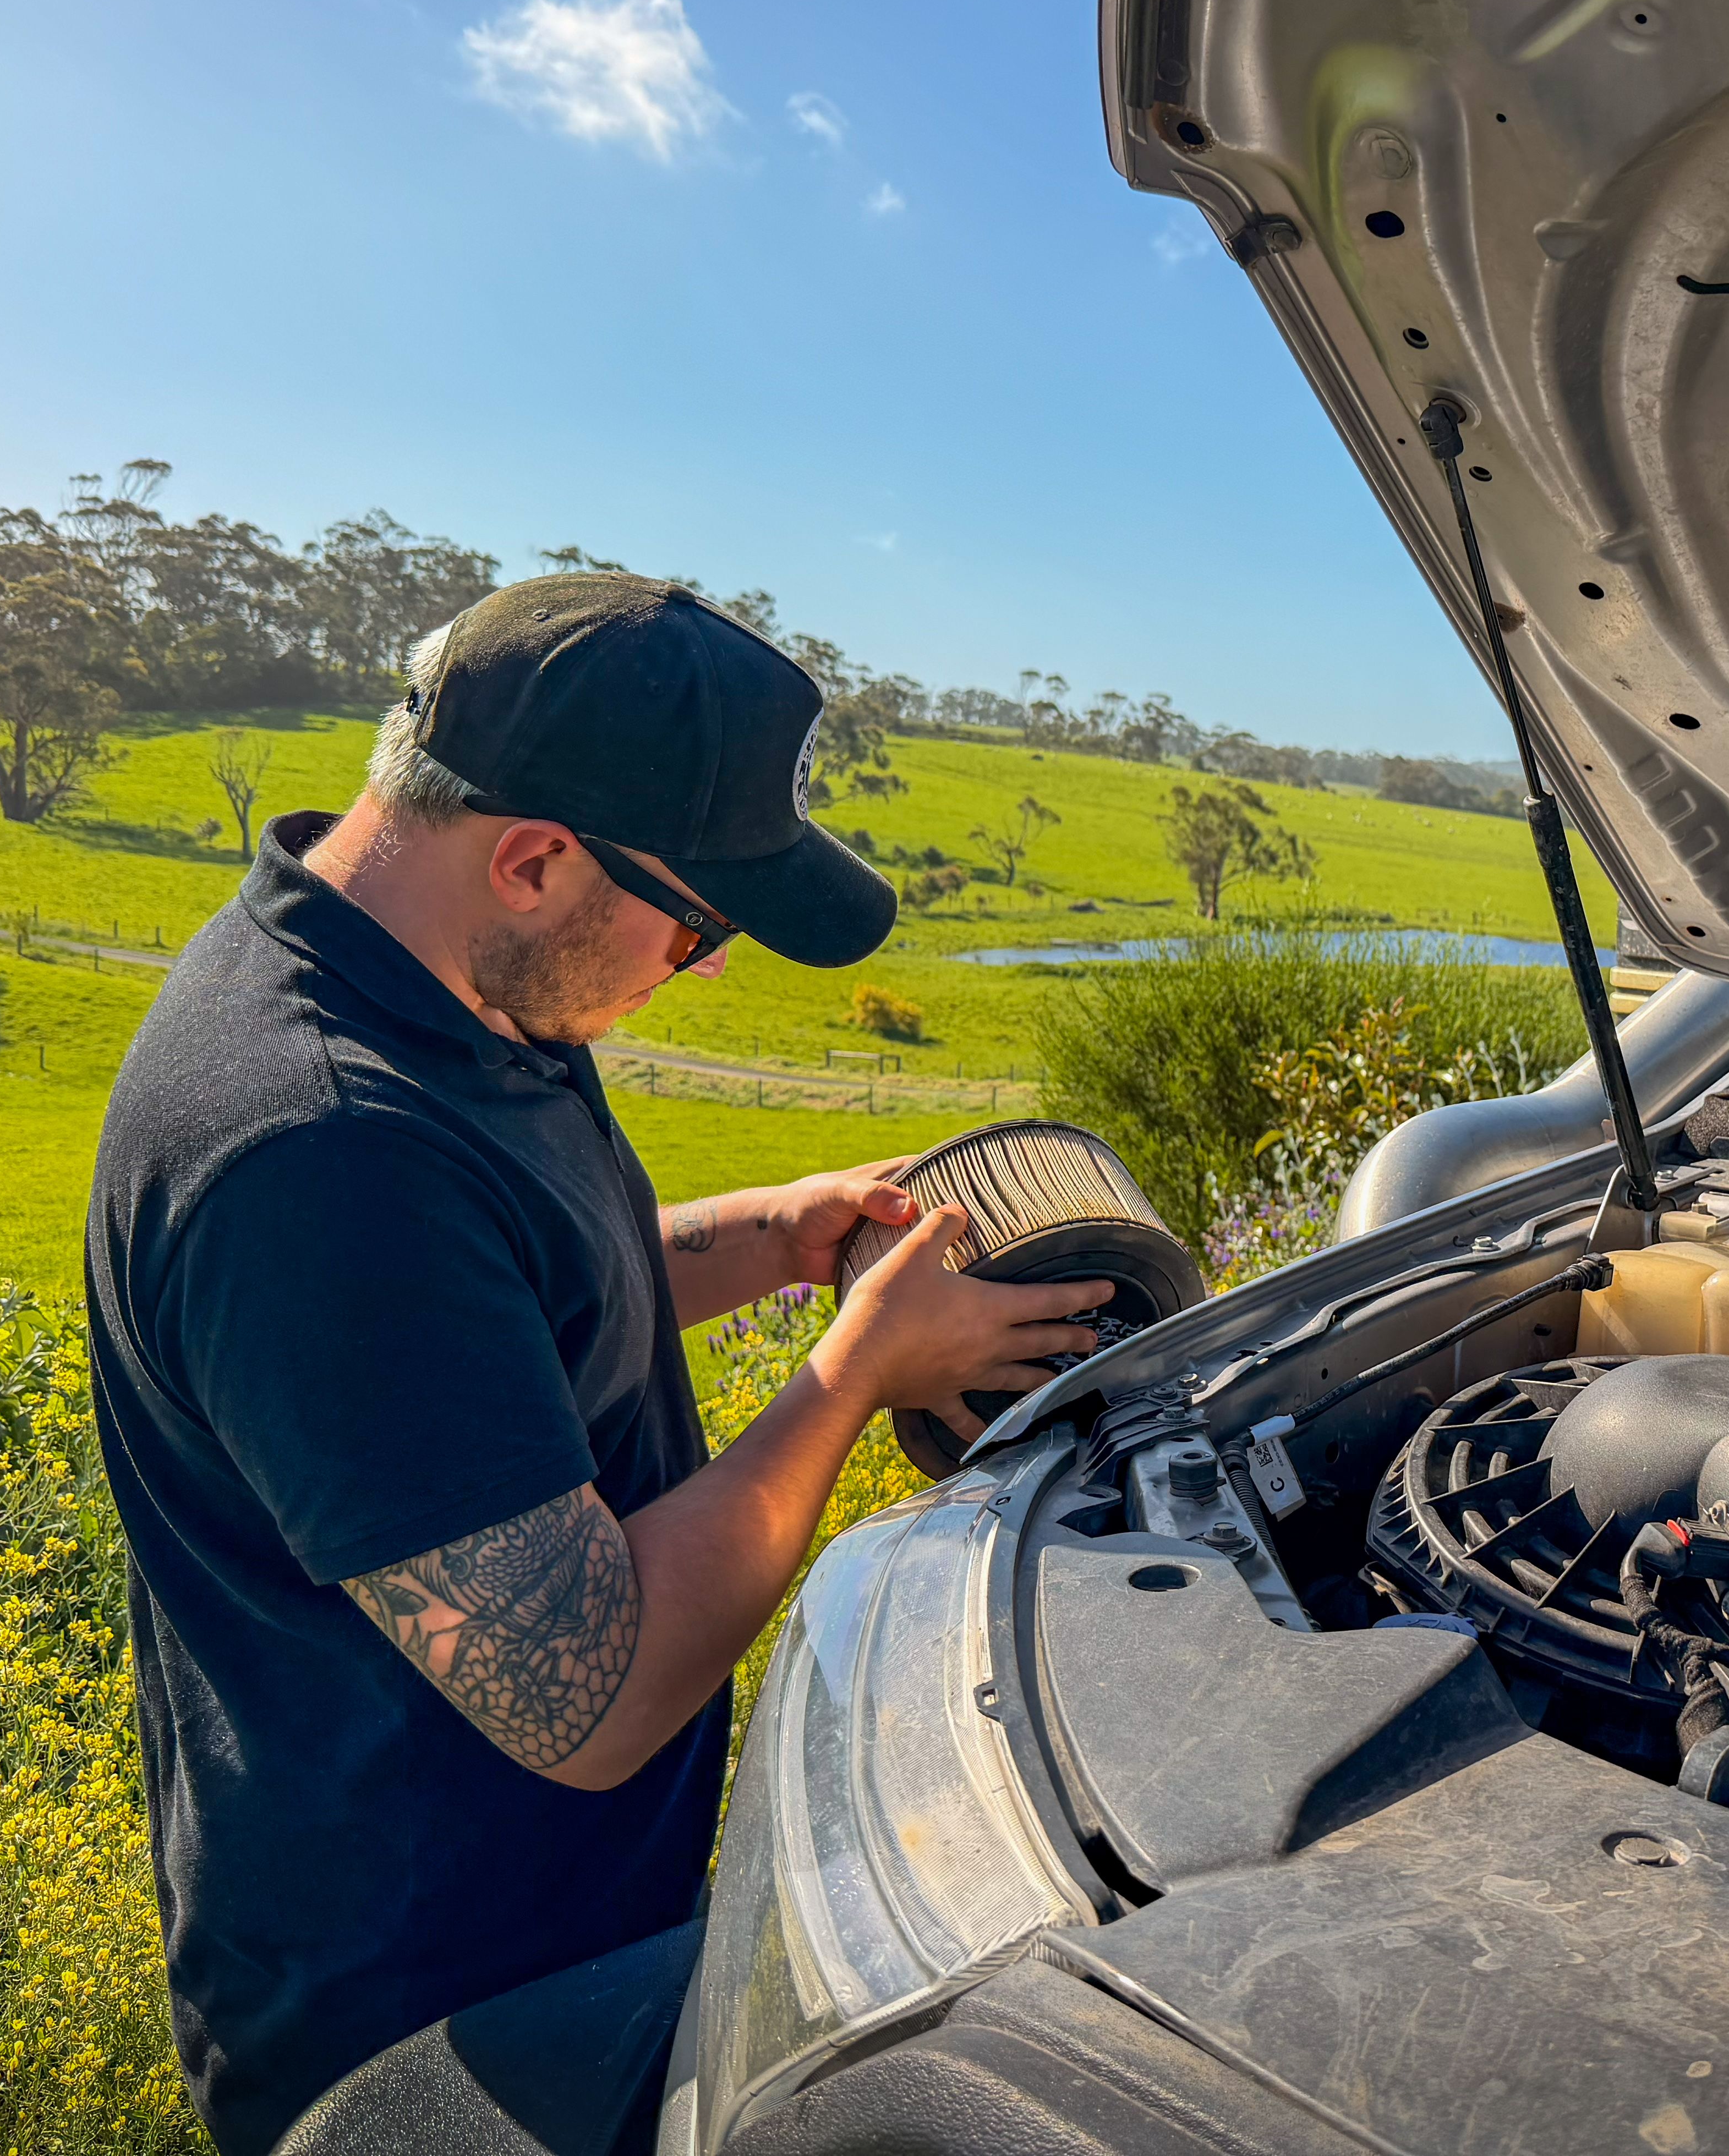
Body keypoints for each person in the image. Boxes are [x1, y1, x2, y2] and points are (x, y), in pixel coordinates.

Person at [84, 573, 1112, 2154]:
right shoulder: (316, 1154)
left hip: (565, 1934)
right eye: (695, 924)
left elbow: (506, 1295)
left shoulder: (452, 995)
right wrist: (848, 1374)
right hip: (434, 2039)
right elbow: (593, 1689)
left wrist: (773, 1234)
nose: (698, 967)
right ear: (533, 856)